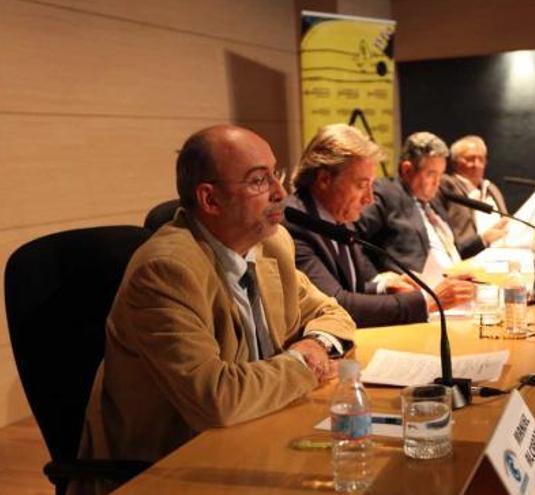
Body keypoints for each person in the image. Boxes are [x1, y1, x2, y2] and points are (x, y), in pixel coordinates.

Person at [71, 125, 355, 495]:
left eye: (276, 174)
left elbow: (333, 313)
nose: (280, 192)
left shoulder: (272, 245)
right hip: (174, 465)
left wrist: (315, 343)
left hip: (260, 430)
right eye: (258, 181)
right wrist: (303, 365)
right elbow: (217, 399)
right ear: (210, 200)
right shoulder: (166, 272)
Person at [284, 124, 475, 327]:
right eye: (361, 185)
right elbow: (335, 303)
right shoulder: (296, 223)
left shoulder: (339, 216)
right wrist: (427, 302)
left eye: (370, 186)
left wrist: (382, 286)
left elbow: (351, 287)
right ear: (324, 179)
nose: (369, 199)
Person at [357, 131, 507, 277]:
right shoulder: (385, 194)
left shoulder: (433, 203)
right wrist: (378, 282)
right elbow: (353, 240)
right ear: (407, 170)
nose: (438, 182)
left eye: (440, 174)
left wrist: (483, 240)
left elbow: (452, 254)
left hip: (454, 284)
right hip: (416, 294)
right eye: (431, 174)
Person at [440, 135, 509, 241]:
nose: (477, 165)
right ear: (455, 162)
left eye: (481, 159)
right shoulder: (447, 184)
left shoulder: (491, 188)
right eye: (470, 159)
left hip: (502, 247)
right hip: (470, 252)